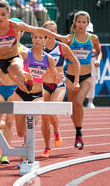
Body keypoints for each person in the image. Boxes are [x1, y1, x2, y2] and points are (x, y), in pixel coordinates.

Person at [0, 0, 65, 101]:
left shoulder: (15, 26)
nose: (0, 17)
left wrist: (60, 37)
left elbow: (37, 29)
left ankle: (24, 76)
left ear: (8, 13)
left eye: (3, 14)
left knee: (17, 68)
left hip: (14, 58)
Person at [8, 31, 62, 166]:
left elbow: (55, 77)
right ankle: (23, 148)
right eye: (35, 37)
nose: (37, 40)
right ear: (32, 39)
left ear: (46, 40)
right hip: (20, 93)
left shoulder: (48, 59)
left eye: (41, 38)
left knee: (31, 121)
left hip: (37, 95)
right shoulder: (25, 54)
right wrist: (19, 80)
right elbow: (10, 69)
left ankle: (24, 158)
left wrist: (58, 78)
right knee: (21, 132)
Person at [57, 11, 101, 150]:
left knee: (78, 102)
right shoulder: (70, 38)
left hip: (86, 77)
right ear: (75, 23)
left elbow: (99, 52)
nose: (81, 24)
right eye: (79, 21)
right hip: (70, 76)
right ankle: (78, 132)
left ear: (88, 24)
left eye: (84, 22)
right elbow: (60, 49)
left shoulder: (93, 38)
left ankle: (79, 133)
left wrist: (97, 61)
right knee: (72, 108)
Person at [41, 20, 80, 158]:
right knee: (44, 118)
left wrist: (76, 81)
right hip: (43, 85)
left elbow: (76, 62)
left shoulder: (62, 47)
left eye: (53, 31)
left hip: (58, 86)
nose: (51, 34)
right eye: (48, 31)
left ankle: (56, 131)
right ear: (43, 33)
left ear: (56, 33)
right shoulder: (39, 47)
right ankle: (47, 147)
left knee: (52, 110)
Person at [0, 17, 26, 165]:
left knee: (11, 122)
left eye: (17, 31)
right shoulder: (0, 47)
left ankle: (4, 153)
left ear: (21, 33)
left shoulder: (24, 52)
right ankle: (5, 128)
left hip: (14, 90)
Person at [85, 22, 101, 108]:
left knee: (92, 80)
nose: (89, 34)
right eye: (88, 31)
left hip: (92, 60)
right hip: (80, 61)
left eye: (90, 32)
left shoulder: (95, 39)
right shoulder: (77, 38)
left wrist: (97, 60)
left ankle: (90, 101)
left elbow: (99, 52)